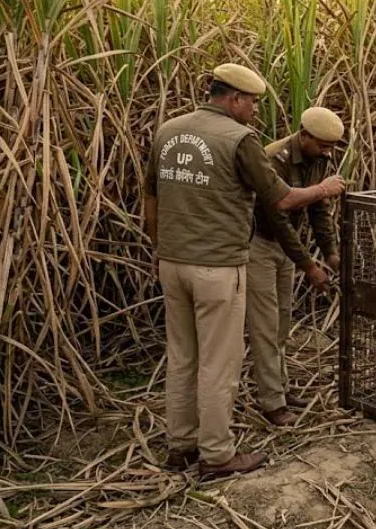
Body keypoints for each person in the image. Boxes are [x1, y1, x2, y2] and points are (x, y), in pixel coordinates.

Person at [143, 63, 344, 478]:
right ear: (234, 98)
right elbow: (282, 201)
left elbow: (150, 197)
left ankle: (180, 446)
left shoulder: (169, 130)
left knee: (183, 357)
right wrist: (324, 190)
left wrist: (160, 248)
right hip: (218, 267)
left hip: (173, 262)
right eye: (252, 102)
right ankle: (216, 455)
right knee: (220, 363)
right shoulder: (240, 139)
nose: (255, 111)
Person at [246, 107, 347, 426]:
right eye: (322, 145)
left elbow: (318, 208)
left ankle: (280, 387)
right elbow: (278, 219)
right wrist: (308, 265)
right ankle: (272, 403)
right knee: (265, 324)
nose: (328, 153)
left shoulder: (320, 157)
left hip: (286, 249)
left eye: (331, 147)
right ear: (303, 135)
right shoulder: (273, 158)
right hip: (260, 245)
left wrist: (330, 253)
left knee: (282, 319)